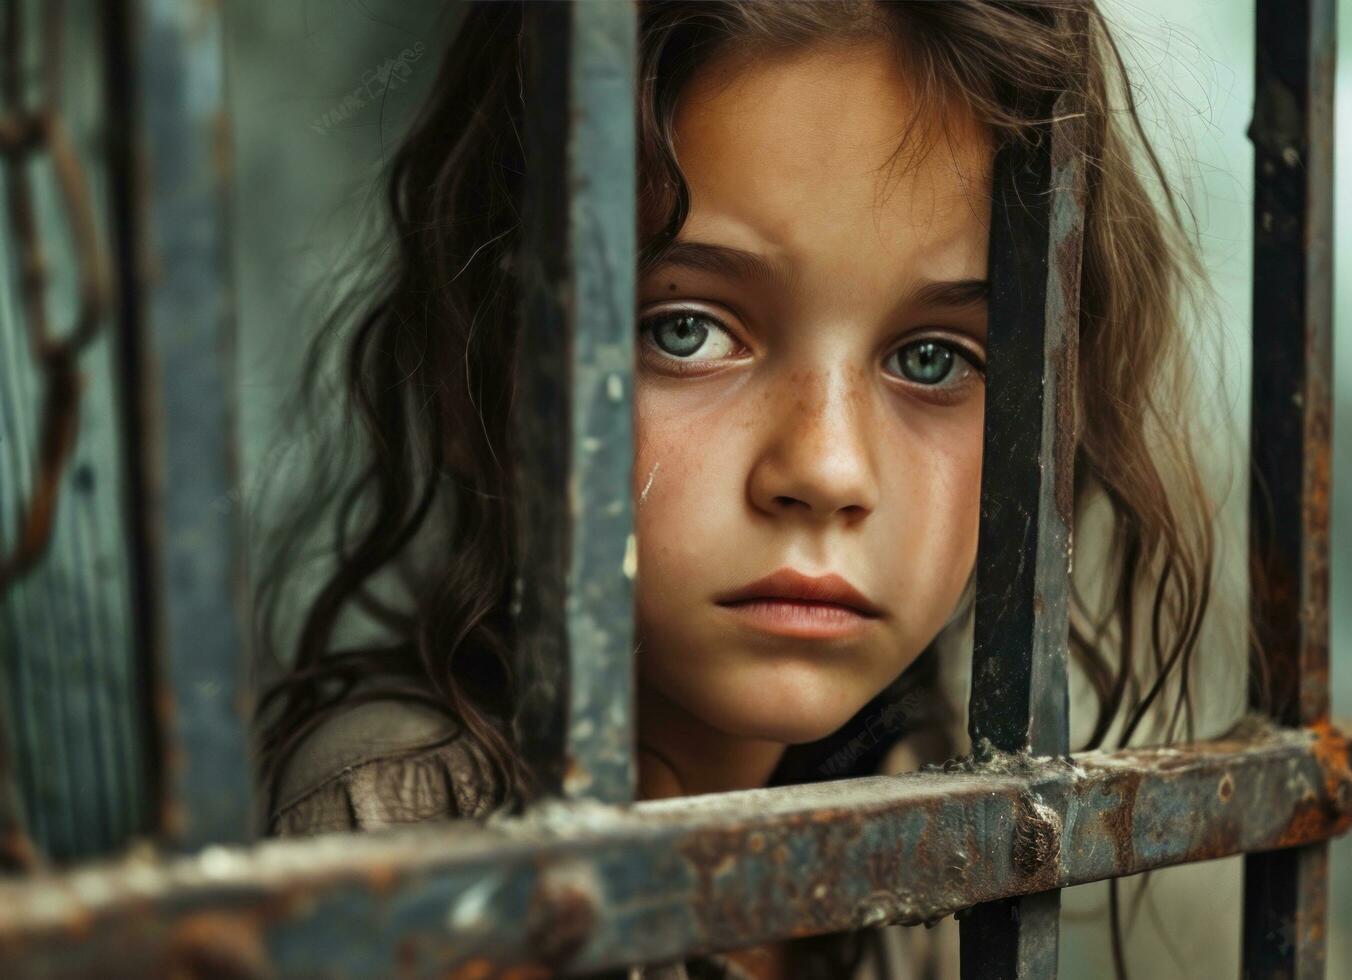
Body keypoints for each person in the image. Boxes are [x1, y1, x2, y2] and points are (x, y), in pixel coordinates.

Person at [252, 3, 1223, 977]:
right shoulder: (415, 815)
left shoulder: (925, 809)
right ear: (477, 386)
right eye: (686, 329)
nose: (826, 469)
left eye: (933, 357)